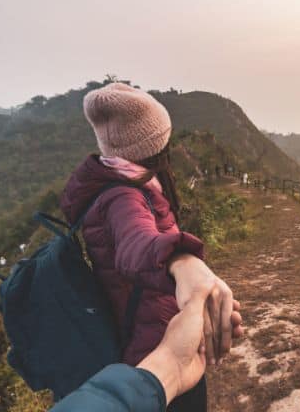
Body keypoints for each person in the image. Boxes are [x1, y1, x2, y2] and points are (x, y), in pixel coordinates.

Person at [61, 83, 239, 411]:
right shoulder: (123, 198)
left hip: (152, 337)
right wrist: (181, 258)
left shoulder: (122, 184)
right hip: (153, 348)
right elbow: (136, 245)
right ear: (154, 144)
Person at [50, 281, 244, 411]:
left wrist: (171, 366)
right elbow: (137, 236)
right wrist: (182, 258)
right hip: (151, 348)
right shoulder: (113, 218)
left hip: (150, 358)